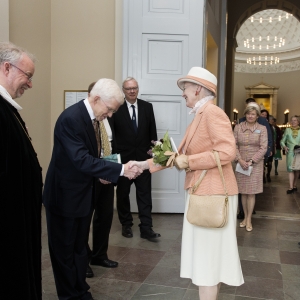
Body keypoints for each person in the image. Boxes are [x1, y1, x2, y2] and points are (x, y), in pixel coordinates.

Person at [133, 67, 244, 300]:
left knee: (207, 260)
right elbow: (176, 156)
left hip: (211, 195)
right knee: (210, 260)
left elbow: (227, 151)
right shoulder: (200, 116)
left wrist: (189, 161)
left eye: (184, 88)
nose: (182, 93)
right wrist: (143, 165)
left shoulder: (212, 113)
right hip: (203, 194)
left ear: (198, 89)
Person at [43, 78, 143, 300]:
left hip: (81, 196)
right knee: (65, 253)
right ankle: (70, 295)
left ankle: (81, 291)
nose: (109, 115)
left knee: (79, 250)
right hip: (64, 199)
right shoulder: (71, 119)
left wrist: (106, 172)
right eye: (109, 110)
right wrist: (120, 169)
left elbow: (94, 157)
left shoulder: (91, 120)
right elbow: (81, 160)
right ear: (96, 99)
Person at [0, 41, 42, 300]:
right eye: (27, 75)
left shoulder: (8, 109)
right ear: (6, 68)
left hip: (18, 220)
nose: (30, 83)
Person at [111, 77, 160, 239]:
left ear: (138, 89)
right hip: (124, 162)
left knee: (144, 195)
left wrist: (154, 155)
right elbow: (113, 136)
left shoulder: (147, 107)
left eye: (134, 88)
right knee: (123, 194)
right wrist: (116, 160)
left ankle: (146, 228)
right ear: (123, 91)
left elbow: (153, 133)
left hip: (143, 161)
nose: (132, 91)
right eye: (128, 89)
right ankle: (126, 225)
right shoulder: (116, 108)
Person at [85, 82, 118, 279]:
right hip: (91, 176)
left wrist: (112, 170)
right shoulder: (87, 120)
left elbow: (113, 144)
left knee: (105, 217)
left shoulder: (108, 117)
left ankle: (99, 255)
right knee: (85, 219)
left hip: (107, 172)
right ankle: (83, 259)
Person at [234, 105, 268, 232]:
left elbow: (263, 147)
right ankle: (244, 217)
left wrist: (251, 161)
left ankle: (248, 219)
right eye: (248, 114)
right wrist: (240, 160)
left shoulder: (262, 128)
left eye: (253, 114)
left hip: (255, 165)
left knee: (251, 192)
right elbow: (233, 144)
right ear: (245, 115)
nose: (250, 116)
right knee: (243, 192)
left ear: (257, 116)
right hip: (241, 163)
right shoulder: (238, 127)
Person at [280, 115, 300, 194]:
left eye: (295, 120)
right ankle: (291, 187)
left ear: (298, 121)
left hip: (299, 152)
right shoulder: (287, 130)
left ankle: (295, 185)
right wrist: (284, 146)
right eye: (292, 120)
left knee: (297, 169)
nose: (293, 122)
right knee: (290, 169)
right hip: (290, 152)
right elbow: (282, 141)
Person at [260, 109, 275, 182]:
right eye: (263, 114)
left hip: (267, 147)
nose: (264, 116)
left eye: (266, 115)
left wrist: (270, 148)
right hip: (259, 148)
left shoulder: (269, 125)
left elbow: (271, 137)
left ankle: (267, 175)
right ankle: (262, 177)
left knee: (268, 163)